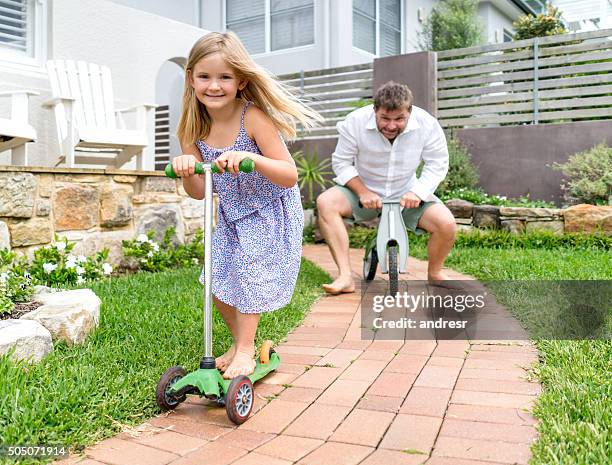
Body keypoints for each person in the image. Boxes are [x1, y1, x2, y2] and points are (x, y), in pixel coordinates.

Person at [171, 32, 322, 379]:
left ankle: (244, 350)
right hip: (231, 214)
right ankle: (242, 343)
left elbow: (288, 174)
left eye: (224, 77)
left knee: (250, 275)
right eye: (205, 76)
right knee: (216, 281)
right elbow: (198, 191)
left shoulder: (252, 118)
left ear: (240, 81)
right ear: (191, 77)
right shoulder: (191, 129)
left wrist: (250, 157)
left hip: (270, 209)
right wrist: (186, 168)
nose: (214, 85)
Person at [316, 81, 457, 294]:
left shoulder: (427, 124)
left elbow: (438, 163)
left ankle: (435, 273)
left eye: (399, 119)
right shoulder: (355, 121)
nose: (391, 126)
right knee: (326, 202)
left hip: (407, 194)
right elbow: (341, 163)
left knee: (446, 223)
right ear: (375, 111)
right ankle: (345, 276)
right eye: (385, 118)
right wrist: (362, 192)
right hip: (363, 191)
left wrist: (417, 192)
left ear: (410, 112)